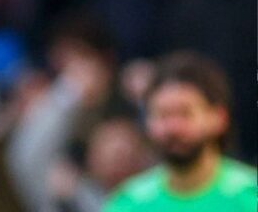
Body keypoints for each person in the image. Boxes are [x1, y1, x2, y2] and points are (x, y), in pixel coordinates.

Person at [104, 51, 257, 212]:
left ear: (219, 118)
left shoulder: (250, 196)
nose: (173, 127)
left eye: (185, 113)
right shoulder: (129, 203)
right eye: (163, 115)